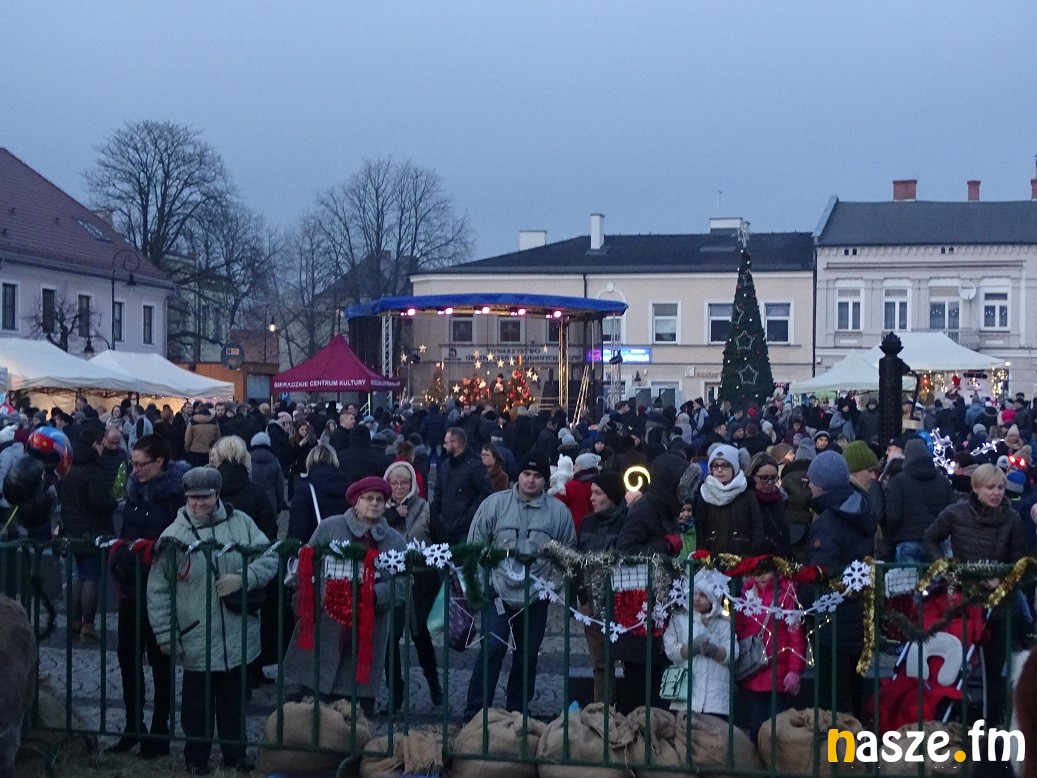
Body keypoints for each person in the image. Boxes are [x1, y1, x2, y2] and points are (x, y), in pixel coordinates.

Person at [147, 467, 277, 775]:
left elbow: (269, 557)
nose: (198, 504)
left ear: (217, 495)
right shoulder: (173, 536)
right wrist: (166, 634)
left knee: (233, 701)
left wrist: (244, 578)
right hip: (196, 632)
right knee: (197, 705)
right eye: (192, 498)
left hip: (236, 630)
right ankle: (196, 758)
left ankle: (235, 754)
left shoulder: (242, 523)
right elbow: (159, 590)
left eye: (204, 497)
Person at [463, 452, 576, 719]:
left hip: (536, 594)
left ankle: (518, 711)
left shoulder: (559, 512)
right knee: (492, 649)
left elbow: (567, 554)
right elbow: (475, 544)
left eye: (537, 476)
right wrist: (481, 586)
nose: (531, 480)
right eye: (526, 474)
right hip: (497, 591)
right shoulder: (494, 504)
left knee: (527, 656)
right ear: (519, 476)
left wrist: (551, 586)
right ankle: (475, 712)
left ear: (545, 481)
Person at [283, 477, 408, 716]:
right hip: (324, 623)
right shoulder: (330, 527)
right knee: (310, 710)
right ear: (356, 502)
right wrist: (306, 599)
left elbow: (404, 583)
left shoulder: (394, 540)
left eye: (379, 499)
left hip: (367, 632)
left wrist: (375, 595)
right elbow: (306, 564)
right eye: (368, 498)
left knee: (354, 715)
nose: (374, 503)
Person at [924, 464, 1026, 726]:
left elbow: (1019, 560)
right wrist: (944, 567)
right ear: (976, 488)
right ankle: (949, 722)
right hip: (963, 603)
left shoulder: (1013, 519)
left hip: (999, 606)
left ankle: (992, 728)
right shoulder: (955, 513)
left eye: (1000, 487)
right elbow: (930, 537)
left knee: (995, 672)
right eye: (990, 487)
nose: (996, 493)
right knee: (954, 668)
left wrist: (1003, 578)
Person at [109, 435, 190, 758]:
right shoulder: (133, 493)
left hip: (162, 591)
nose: (135, 469)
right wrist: (119, 561)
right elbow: (125, 533)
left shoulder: (175, 497)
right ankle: (133, 725)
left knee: (160, 661)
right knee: (128, 658)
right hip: (131, 588)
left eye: (141, 464)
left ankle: (159, 730)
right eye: (133, 463)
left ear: (160, 462)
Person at [614, 451, 687, 713]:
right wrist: (665, 546)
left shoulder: (667, 508)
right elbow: (624, 551)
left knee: (659, 678)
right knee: (640, 682)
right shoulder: (645, 508)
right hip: (640, 607)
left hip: (660, 603)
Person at [804, 451, 876, 720]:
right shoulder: (860, 508)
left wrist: (804, 605)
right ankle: (856, 744)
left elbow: (819, 573)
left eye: (811, 481)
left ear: (820, 485)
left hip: (830, 621)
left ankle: (837, 747)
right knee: (852, 694)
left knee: (832, 703)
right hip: (856, 618)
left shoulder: (829, 523)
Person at [209, 435, 280, 688]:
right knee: (250, 619)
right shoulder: (255, 491)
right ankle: (252, 670)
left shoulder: (211, 491)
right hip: (249, 565)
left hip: (214, 563)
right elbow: (269, 527)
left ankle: (225, 672)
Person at [381, 461, 441, 710]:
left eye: (403, 482)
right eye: (393, 483)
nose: (398, 487)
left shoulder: (426, 508)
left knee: (420, 636)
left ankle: (434, 683)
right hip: (392, 582)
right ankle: (396, 692)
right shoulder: (380, 508)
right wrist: (393, 515)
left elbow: (440, 540)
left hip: (421, 583)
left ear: (412, 483)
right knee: (390, 638)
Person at [734, 540, 807, 743]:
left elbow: (796, 635)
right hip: (753, 670)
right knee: (756, 724)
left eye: (766, 570)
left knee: (776, 726)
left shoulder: (786, 595)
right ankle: (758, 757)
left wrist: (794, 670)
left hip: (778, 672)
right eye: (757, 571)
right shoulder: (747, 594)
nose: (761, 575)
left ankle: (773, 758)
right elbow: (740, 627)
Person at [58, 426, 118, 642]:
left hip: (73, 530)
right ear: (94, 444)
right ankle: (88, 626)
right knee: (91, 577)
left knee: (81, 576)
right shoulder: (92, 470)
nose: (103, 447)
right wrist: (113, 501)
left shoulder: (69, 467)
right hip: (94, 532)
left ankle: (75, 621)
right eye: (102, 443)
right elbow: (99, 503)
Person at [575, 471, 628, 703]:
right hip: (592, 601)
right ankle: (602, 710)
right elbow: (578, 559)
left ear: (612, 496)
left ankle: (631, 712)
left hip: (622, 602)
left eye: (597, 493)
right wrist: (582, 596)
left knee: (629, 660)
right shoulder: (587, 522)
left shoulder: (628, 520)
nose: (592, 498)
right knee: (600, 662)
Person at [663, 569, 736, 718]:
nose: (696, 599)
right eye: (694, 594)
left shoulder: (723, 624)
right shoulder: (680, 620)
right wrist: (690, 648)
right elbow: (670, 649)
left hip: (714, 699)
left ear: (713, 599)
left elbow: (733, 653)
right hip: (686, 695)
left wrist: (714, 651)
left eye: (703, 595)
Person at [886, 439, 953, 564]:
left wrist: (892, 534)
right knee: (939, 576)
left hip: (907, 539)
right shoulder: (942, 481)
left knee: (908, 577)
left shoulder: (899, 481)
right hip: (937, 542)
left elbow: (893, 515)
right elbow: (951, 512)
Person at [694, 444, 765, 557]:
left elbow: (757, 528)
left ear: (734, 467)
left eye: (725, 465)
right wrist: (702, 555)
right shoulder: (705, 493)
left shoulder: (747, 495)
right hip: (712, 558)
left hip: (743, 557)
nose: (719, 470)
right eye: (715, 466)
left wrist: (753, 556)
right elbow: (700, 529)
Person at [430, 427, 494, 544]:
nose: (444, 446)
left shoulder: (476, 466)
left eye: (446, 443)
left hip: (465, 530)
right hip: (444, 529)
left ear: (455, 443)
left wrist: (468, 517)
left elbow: (486, 494)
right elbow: (438, 494)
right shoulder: (446, 465)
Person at [287, 444, 349, 542]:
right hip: (343, 543)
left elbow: (298, 526)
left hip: (314, 544)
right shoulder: (347, 484)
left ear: (309, 461)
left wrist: (292, 545)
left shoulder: (305, 487)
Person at [746, 452, 791, 555]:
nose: (770, 482)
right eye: (764, 478)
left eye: (773, 478)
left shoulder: (780, 499)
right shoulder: (746, 502)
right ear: (752, 476)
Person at [557, 451, 601, 533]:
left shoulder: (573, 485)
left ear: (583, 467)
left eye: (576, 465)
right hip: (597, 527)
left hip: (576, 527)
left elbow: (558, 502)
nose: (574, 467)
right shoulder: (600, 483)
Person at [248, 431, 285, 516]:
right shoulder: (274, 460)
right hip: (270, 504)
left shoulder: (247, 461)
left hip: (252, 504)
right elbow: (280, 486)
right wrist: (279, 505)